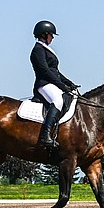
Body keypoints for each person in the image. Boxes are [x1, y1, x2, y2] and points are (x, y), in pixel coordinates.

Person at [30, 20, 79, 150]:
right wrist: (61, 86)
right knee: (57, 101)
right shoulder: (38, 50)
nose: (52, 38)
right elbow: (45, 71)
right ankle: (45, 136)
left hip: (51, 82)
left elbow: (55, 72)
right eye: (51, 35)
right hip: (44, 84)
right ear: (44, 34)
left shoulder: (47, 49)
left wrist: (68, 82)